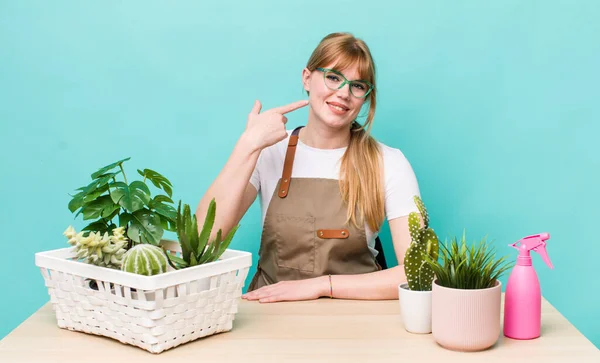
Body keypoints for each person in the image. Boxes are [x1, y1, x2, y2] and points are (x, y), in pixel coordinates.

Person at [196, 32, 421, 303]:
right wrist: (248, 145)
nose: (344, 94)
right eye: (334, 77)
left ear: (365, 97)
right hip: (270, 319)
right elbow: (202, 236)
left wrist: (322, 285)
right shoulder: (268, 152)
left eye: (358, 85)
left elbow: (417, 273)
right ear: (307, 78)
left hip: (360, 321)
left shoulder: (389, 162)